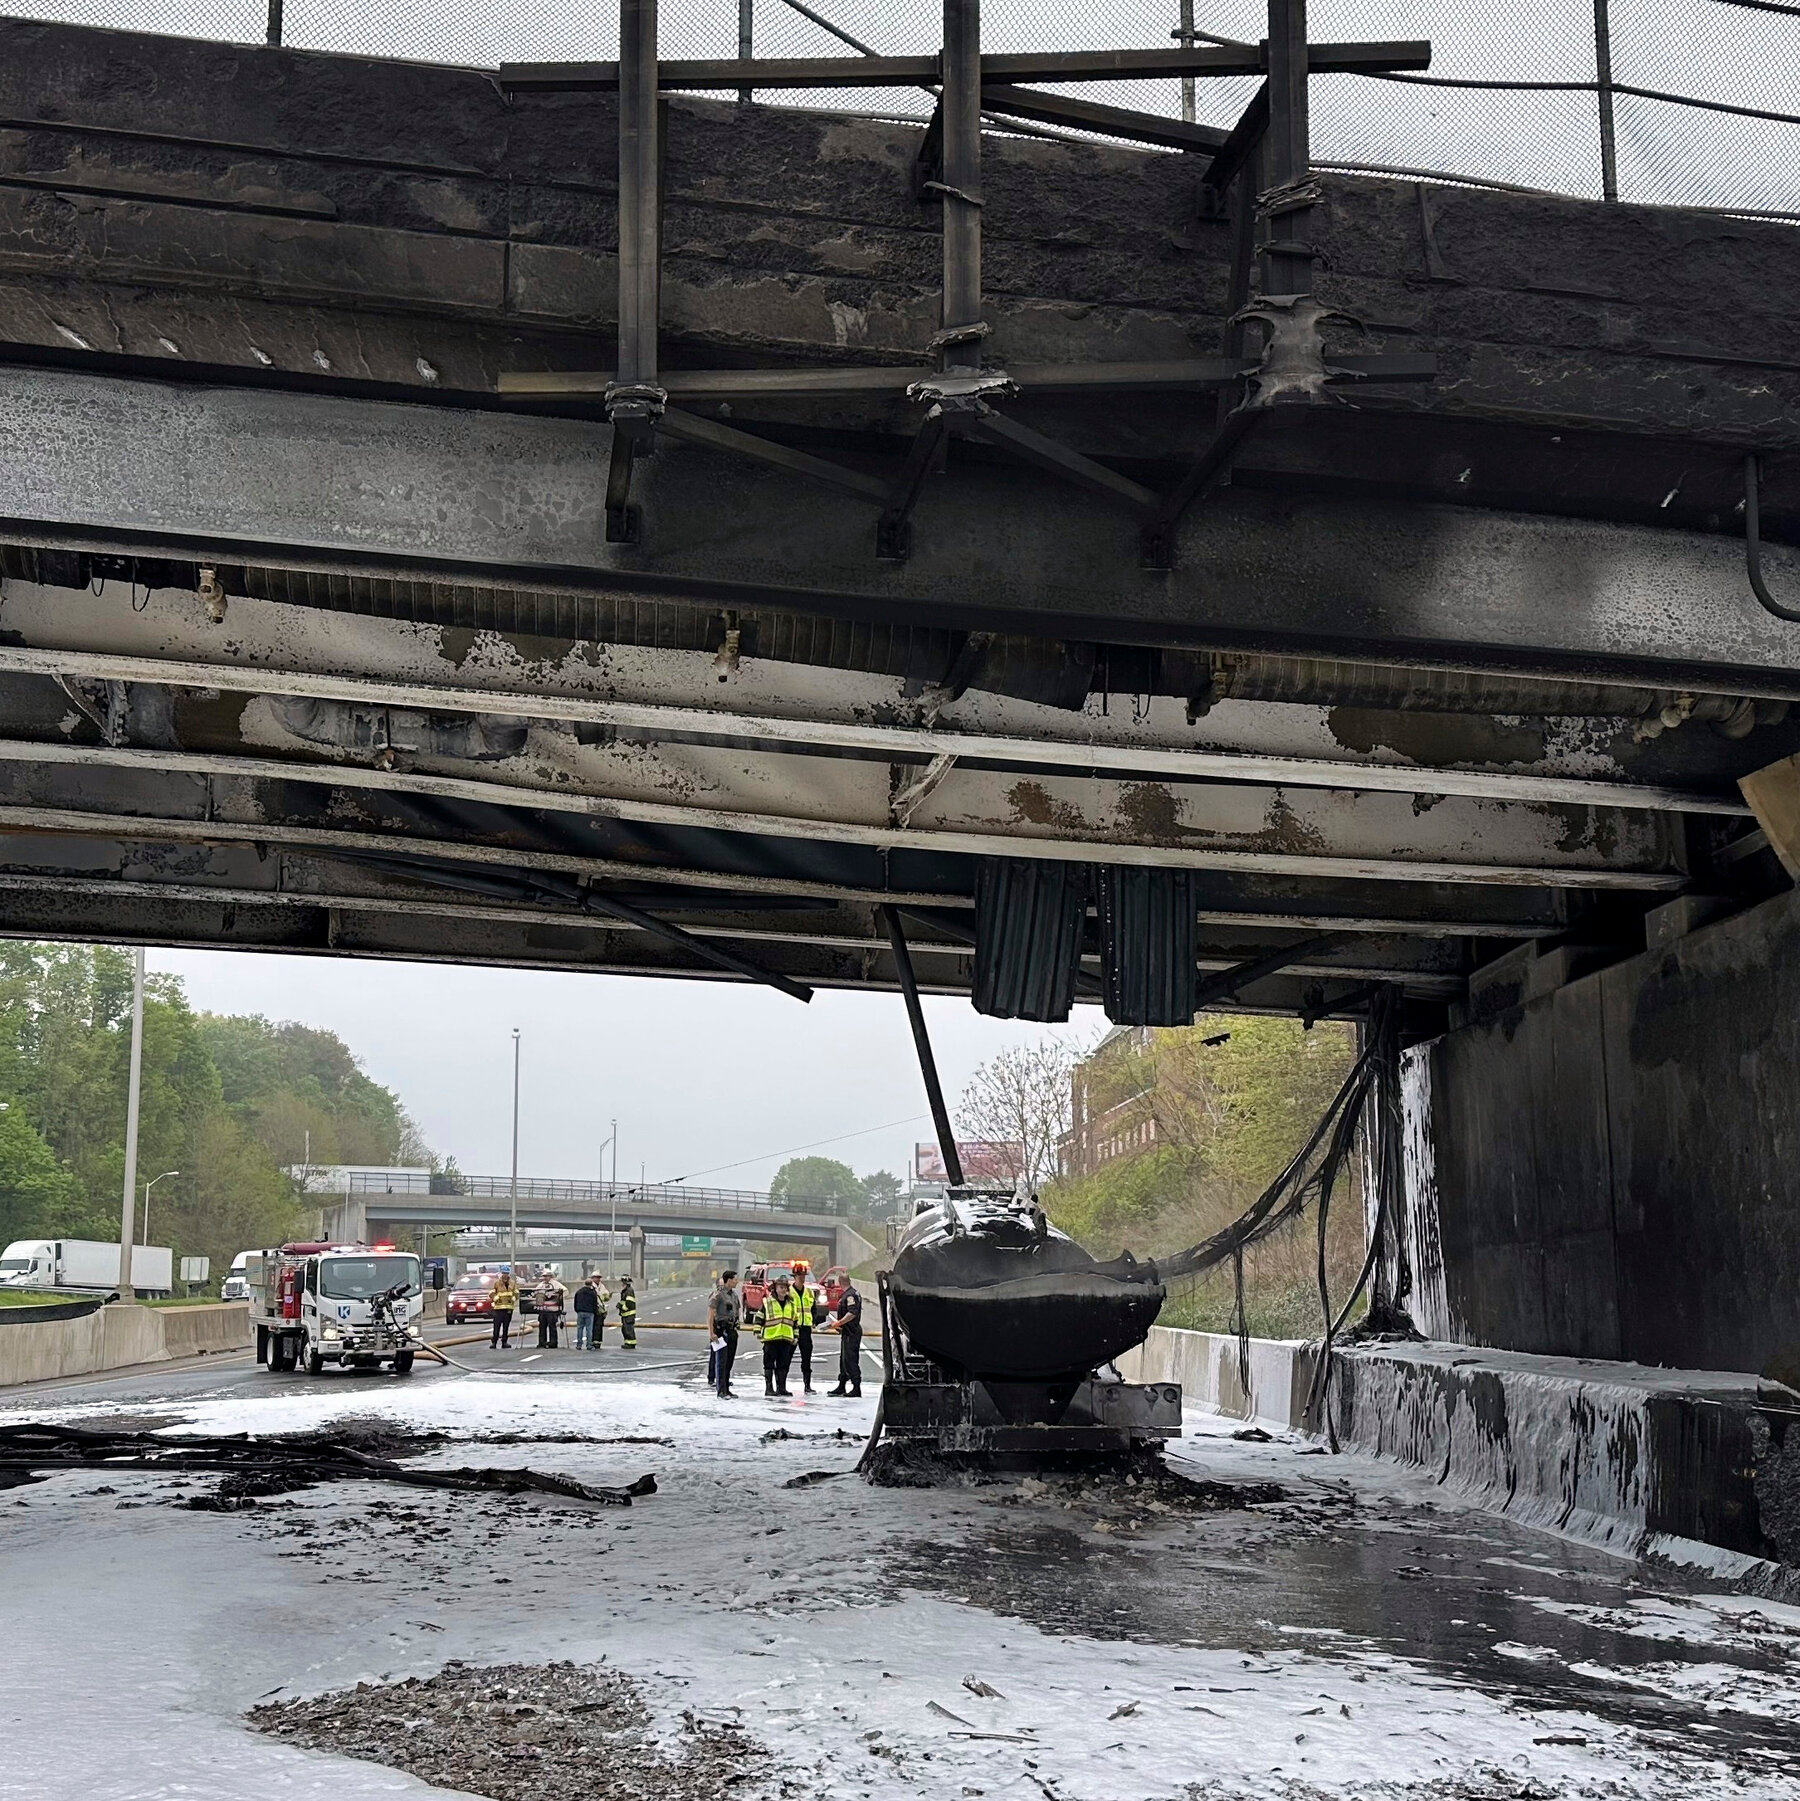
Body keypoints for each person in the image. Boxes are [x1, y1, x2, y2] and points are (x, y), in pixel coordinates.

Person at [759, 1270, 802, 1397]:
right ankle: (769, 1388)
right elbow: (759, 1318)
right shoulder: (768, 1302)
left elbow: (795, 1321)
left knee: (783, 1365)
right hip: (771, 1339)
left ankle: (781, 1388)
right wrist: (757, 1331)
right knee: (769, 1364)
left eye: (785, 1287)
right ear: (775, 1289)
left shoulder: (791, 1304)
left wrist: (795, 1336)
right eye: (781, 1287)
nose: (784, 1290)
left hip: (786, 1339)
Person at [825, 1276, 863, 1397]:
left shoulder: (850, 1295)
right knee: (844, 1360)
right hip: (847, 1331)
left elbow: (852, 1312)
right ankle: (842, 1385)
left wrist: (839, 1322)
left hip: (852, 1332)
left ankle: (856, 1387)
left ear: (840, 1282)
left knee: (850, 1359)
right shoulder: (848, 1294)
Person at [708, 1269, 741, 1398]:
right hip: (721, 1332)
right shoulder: (718, 1295)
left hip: (732, 1331)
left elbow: (737, 1311)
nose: (737, 1281)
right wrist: (711, 1333)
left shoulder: (734, 1295)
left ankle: (726, 1389)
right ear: (728, 1280)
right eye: (735, 1279)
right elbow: (710, 1314)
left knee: (729, 1362)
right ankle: (721, 1390)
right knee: (721, 1362)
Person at [792, 1268, 824, 1394]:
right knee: (786, 1358)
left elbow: (813, 1309)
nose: (802, 1277)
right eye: (799, 1275)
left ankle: (807, 1385)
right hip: (792, 1328)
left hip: (805, 1329)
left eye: (803, 1275)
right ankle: (780, 1385)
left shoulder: (809, 1292)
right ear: (794, 1276)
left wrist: (813, 1322)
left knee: (806, 1358)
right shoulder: (789, 1292)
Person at [535, 1273, 566, 1348]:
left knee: (552, 1326)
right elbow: (535, 1293)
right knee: (542, 1326)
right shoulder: (541, 1285)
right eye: (544, 1276)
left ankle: (553, 1342)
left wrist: (558, 1298)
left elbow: (565, 1291)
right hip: (543, 1309)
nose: (545, 1278)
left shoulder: (556, 1284)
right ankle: (542, 1342)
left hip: (552, 1310)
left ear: (550, 1277)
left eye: (546, 1276)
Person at [489, 1271, 517, 1350]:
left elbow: (516, 1292)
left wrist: (515, 1297)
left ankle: (504, 1342)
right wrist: (495, 1298)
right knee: (497, 1326)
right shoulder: (497, 1283)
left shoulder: (512, 1283)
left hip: (508, 1308)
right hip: (498, 1308)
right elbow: (491, 1292)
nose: (505, 1275)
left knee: (506, 1326)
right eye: (504, 1273)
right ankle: (494, 1342)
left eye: (506, 1273)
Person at [573, 1275, 601, 1350]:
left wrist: (577, 1310)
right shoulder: (593, 1293)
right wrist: (596, 1312)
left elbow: (575, 1302)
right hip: (590, 1312)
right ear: (591, 1284)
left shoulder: (579, 1292)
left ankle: (579, 1345)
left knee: (580, 1328)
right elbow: (595, 1304)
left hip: (580, 1312)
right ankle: (589, 1345)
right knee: (589, 1329)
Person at [618, 1278, 638, 1350]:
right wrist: (619, 1304)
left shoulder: (629, 1291)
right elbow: (624, 1301)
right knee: (625, 1329)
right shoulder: (626, 1291)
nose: (622, 1284)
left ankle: (631, 1344)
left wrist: (623, 1308)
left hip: (628, 1314)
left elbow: (629, 1303)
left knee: (628, 1329)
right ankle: (627, 1343)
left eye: (623, 1282)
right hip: (625, 1314)